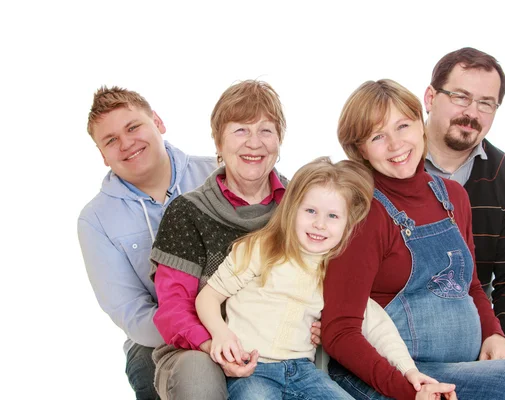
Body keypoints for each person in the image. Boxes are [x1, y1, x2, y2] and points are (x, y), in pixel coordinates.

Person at [321, 78, 505, 399]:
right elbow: (340, 331)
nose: (396, 144)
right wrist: (409, 385)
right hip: (399, 369)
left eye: (403, 126)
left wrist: (495, 335)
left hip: (462, 363)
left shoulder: (450, 197)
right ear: (360, 149)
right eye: (378, 136)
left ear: (420, 124)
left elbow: (469, 286)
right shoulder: (363, 211)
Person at [196, 157, 438, 399]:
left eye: (333, 216)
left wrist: (409, 370)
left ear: (348, 223)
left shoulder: (339, 270)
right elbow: (208, 297)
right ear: (292, 209)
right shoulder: (261, 248)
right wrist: (221, 333)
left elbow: (377, 325)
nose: (320, 224)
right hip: (251, 367)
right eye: (311, 211)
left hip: (303, 372)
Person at [148, 80, 316, 399]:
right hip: (201, 348)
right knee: (198, 375)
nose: (254, 143)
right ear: (218, 142)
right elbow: (174, 310)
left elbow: (327, 281)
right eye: (240, 130)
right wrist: (217, 346)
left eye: (266, 130)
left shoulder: (305, 207)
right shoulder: (187, 212)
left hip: (285, 351)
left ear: (280, 140)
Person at [78, 86, 216, 399]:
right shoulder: (96, 219)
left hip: (242, 315)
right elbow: (130, 311)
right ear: (102, 155)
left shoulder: (217, 172)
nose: (126, 144)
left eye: (133, 127)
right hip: (156, 339)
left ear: (158, 121)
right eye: (111, 140)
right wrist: (204, 334)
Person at [423, 47, 505, 352]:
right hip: (392, 339)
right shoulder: (385, 164)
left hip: (472, 337)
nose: (472, 113)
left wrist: (502, 345)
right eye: (461, 97)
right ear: (430, 98)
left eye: (486, 103)